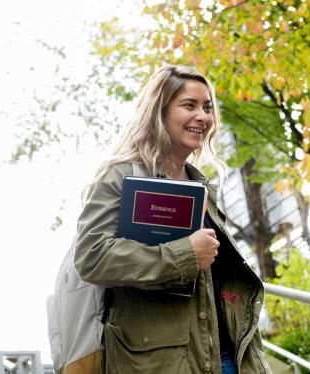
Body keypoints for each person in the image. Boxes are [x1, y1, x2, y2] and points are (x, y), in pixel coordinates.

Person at [74, 65, 272, 374]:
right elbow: (92, 256)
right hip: (160, 363)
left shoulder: (202, 187)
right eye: (189, 105)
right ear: (159, 112)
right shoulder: (121, 176)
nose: (203, 117)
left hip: (226, 355)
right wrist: (185, 255)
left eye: (207, 107)